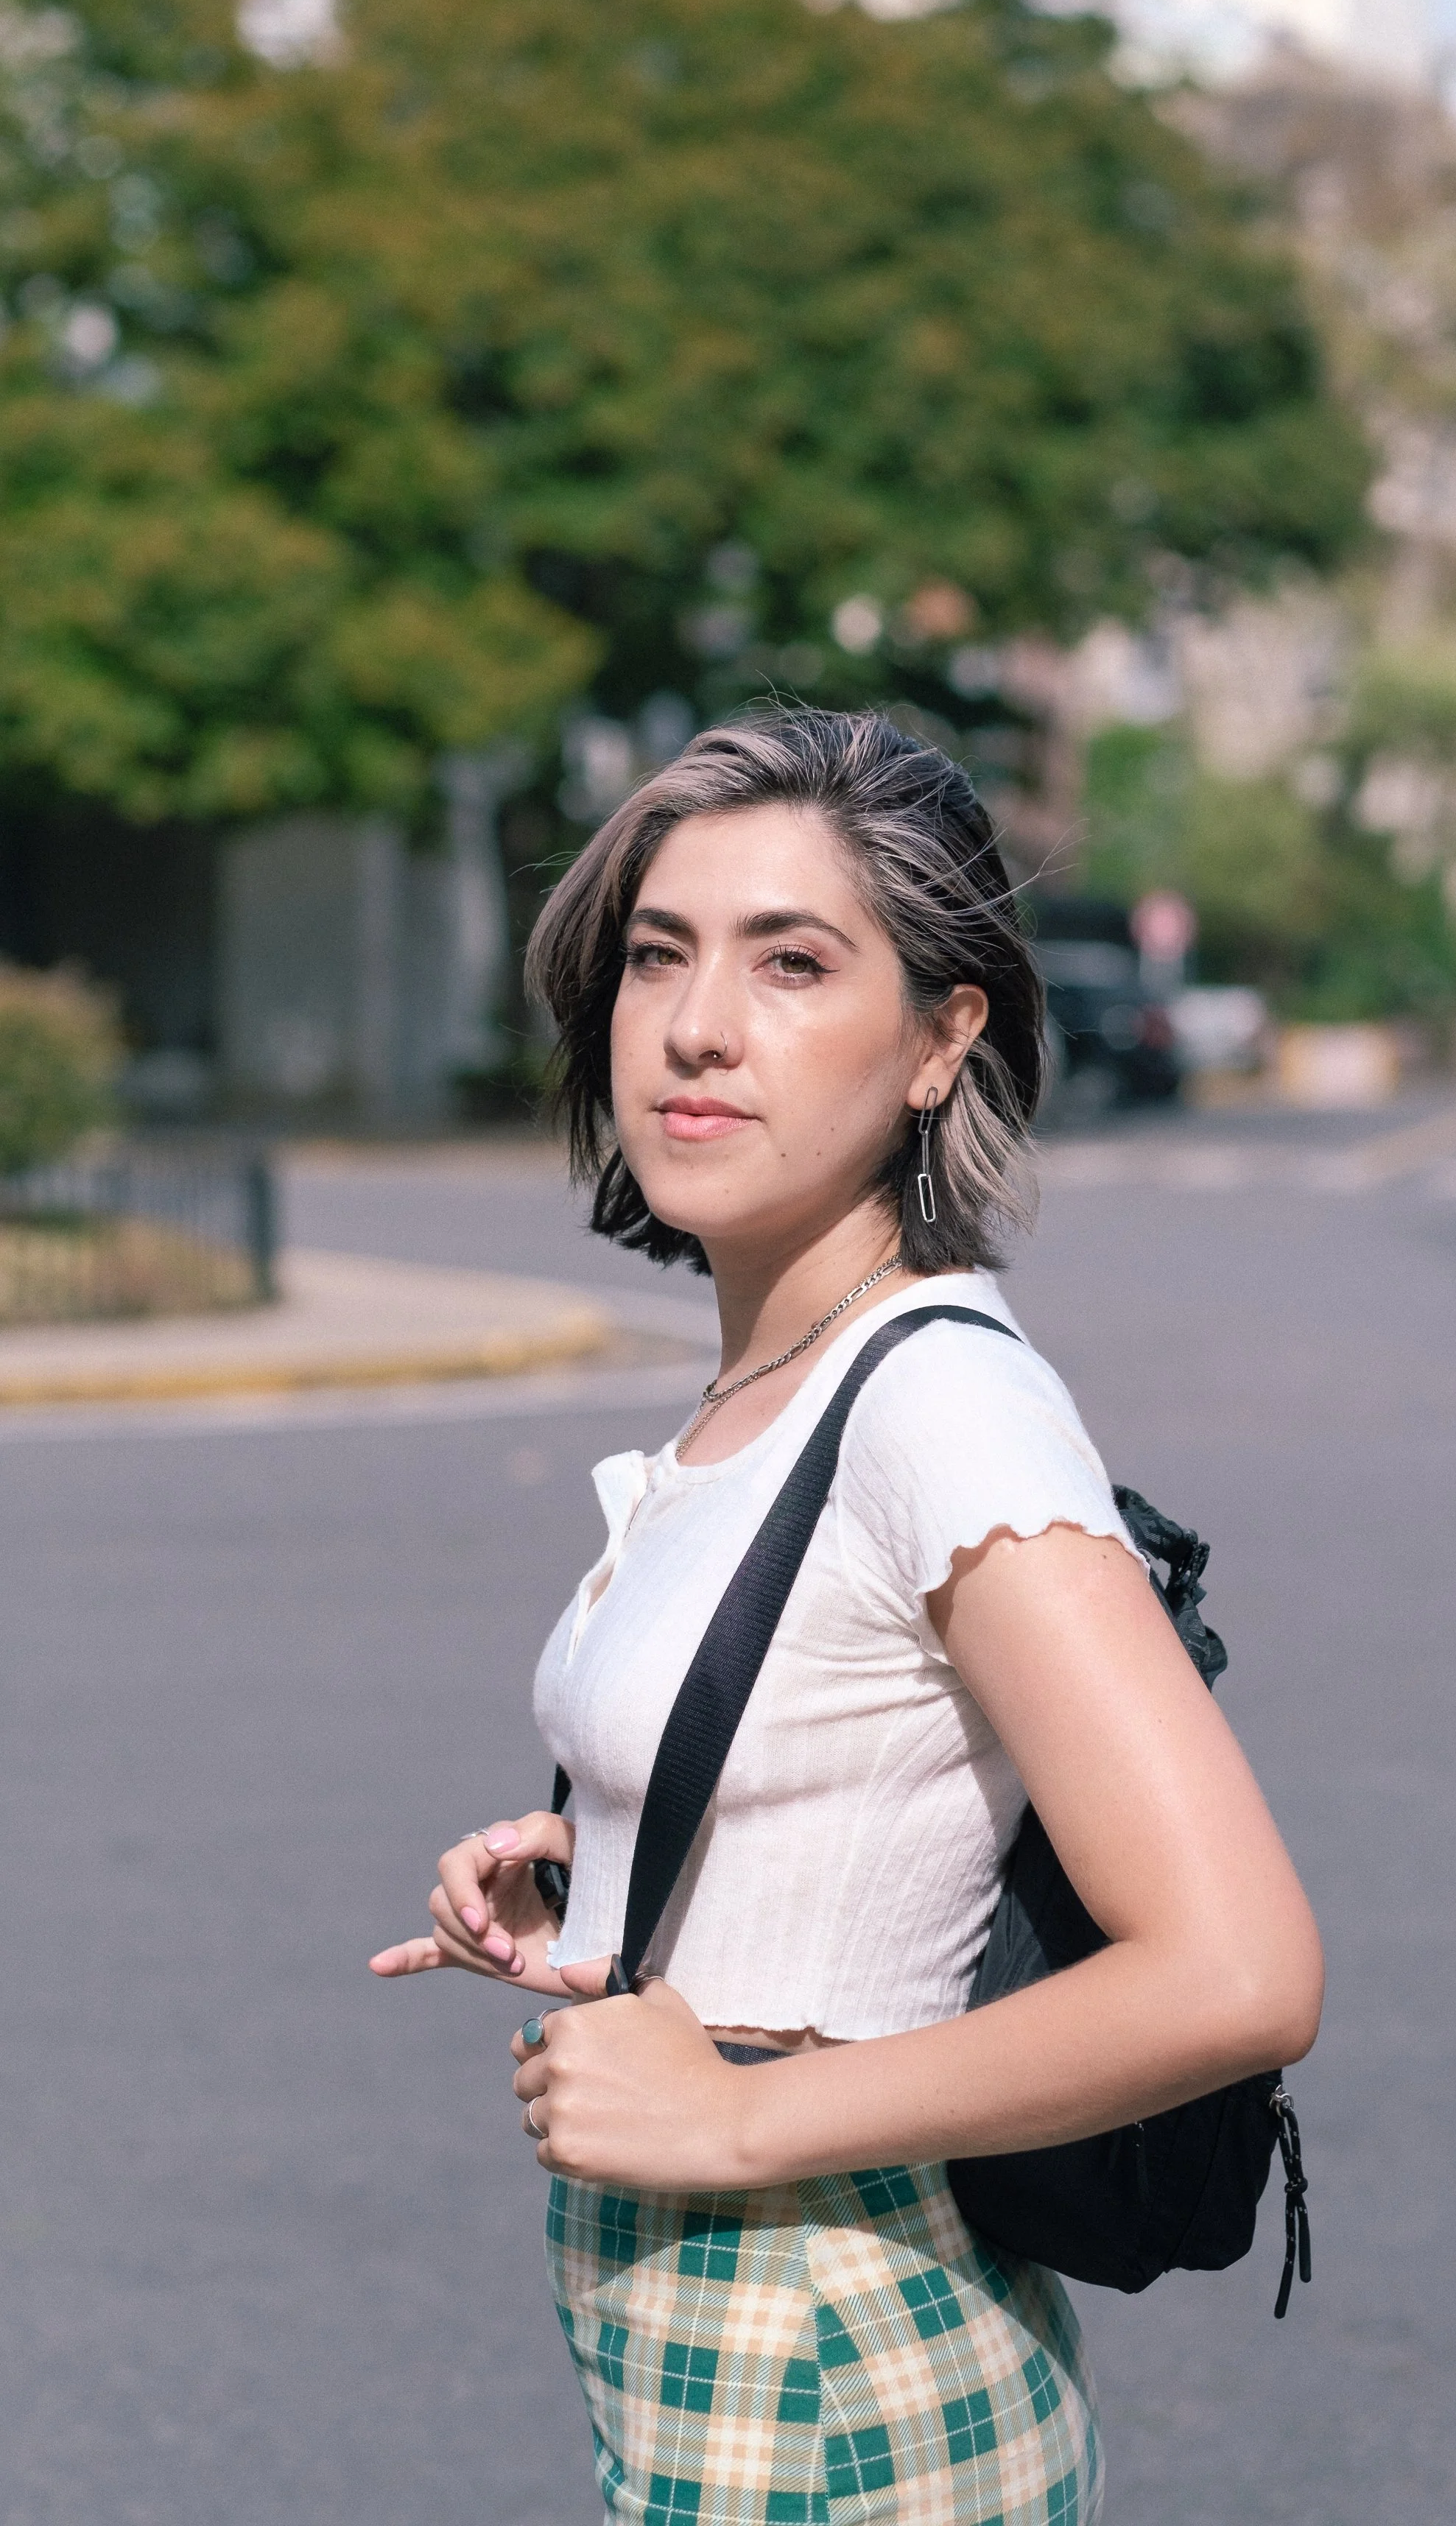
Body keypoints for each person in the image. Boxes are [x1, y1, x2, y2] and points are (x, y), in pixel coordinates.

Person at [370, 708, 1323, 2523]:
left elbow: (1241, 1969)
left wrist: (730, 2116)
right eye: (661, 955)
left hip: (827, 2355)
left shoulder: (935, 1402)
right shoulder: (778, 1377)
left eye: (793, 962)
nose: (696, 1024)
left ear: (940, 1037)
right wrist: (598, 1856)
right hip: (715, 2342)